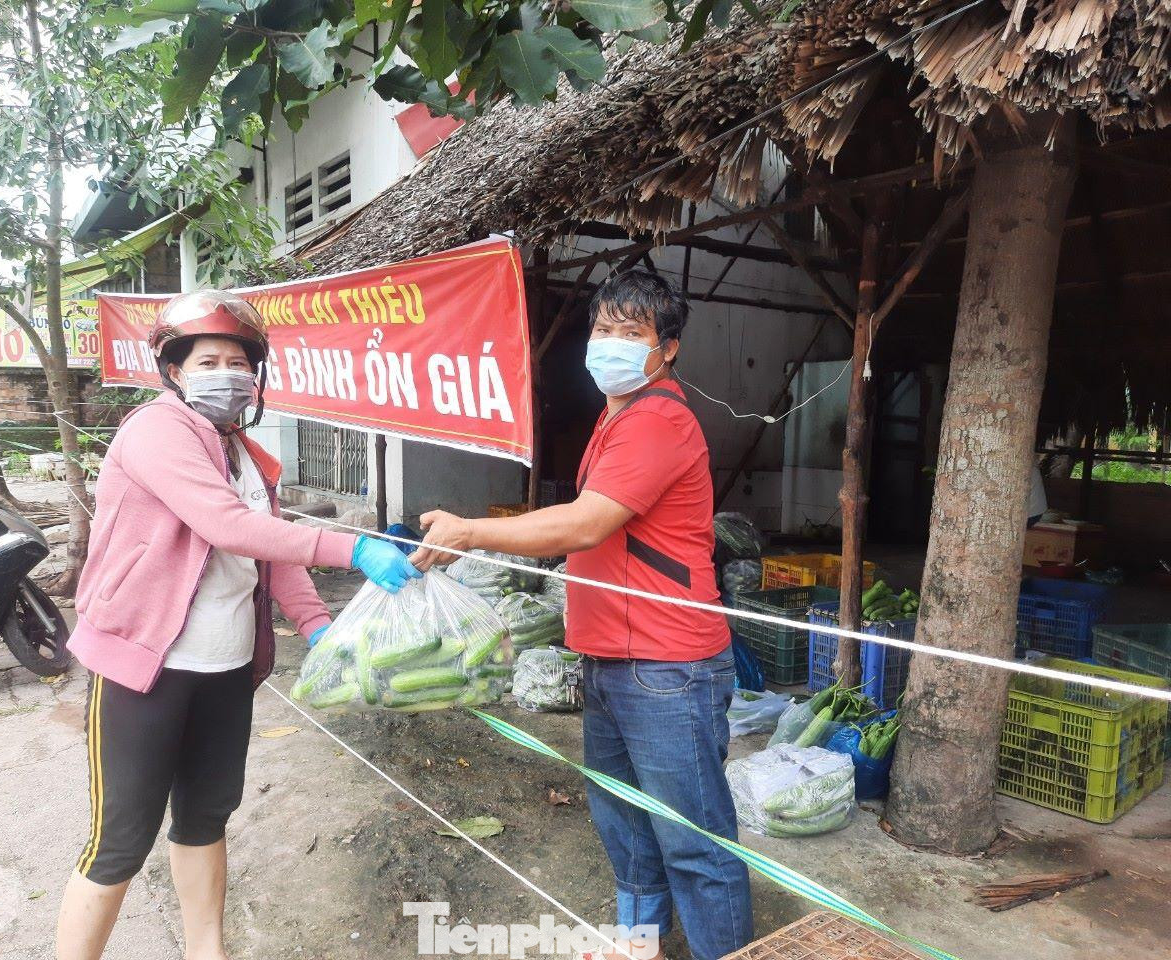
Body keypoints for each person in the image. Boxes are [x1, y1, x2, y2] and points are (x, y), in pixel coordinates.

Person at [55, 291, 419, 960]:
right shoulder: (156, 431)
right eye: (208, 360)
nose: (227, 373)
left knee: (205, 819)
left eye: (238, 361)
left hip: (224, 670)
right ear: (173, 370)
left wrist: (317, 627)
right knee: (121, 840)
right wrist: (353, 548)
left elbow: (268, 547)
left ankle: (207, 952)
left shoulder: (244, 453)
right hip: (148, 669)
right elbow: (226, 525)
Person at [411, 271, 752, 960]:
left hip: (667, 666)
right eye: (603, 331)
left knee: (693, 839)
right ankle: (641, 943)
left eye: (633, 334)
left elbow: (587, 523)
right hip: (612, 659)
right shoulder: (617, 414)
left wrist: (472, 532)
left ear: (669, 349)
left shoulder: (658, 419)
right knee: (625, 825)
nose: (611, 346)